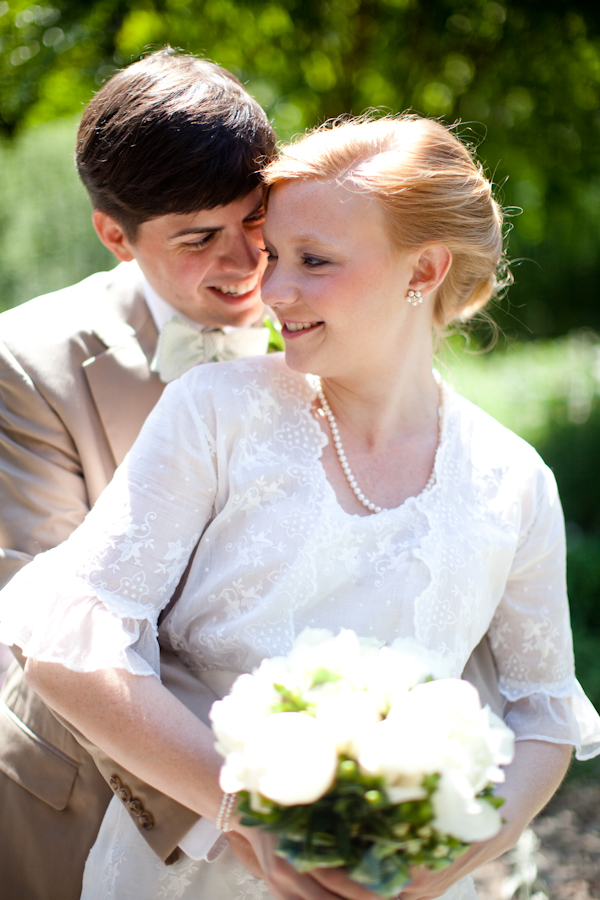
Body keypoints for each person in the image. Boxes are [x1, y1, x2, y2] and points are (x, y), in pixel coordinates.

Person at [4, 114, 584, 900]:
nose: (269, 288)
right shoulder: (214, 412)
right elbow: (68, 647)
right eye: (276, 254)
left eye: (313, 260)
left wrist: (444, 862)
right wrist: (247, 813)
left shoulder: (515, 481)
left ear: (425, 269)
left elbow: (544, 715)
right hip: (197, 874)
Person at [0, 48, 276, 900]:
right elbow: (42, 616)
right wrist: (255, 816)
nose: (246, 264)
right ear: (115, 235)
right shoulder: (27, 362)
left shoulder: (332, 311)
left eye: (256, 222)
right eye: (199, 238)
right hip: (93, 790)